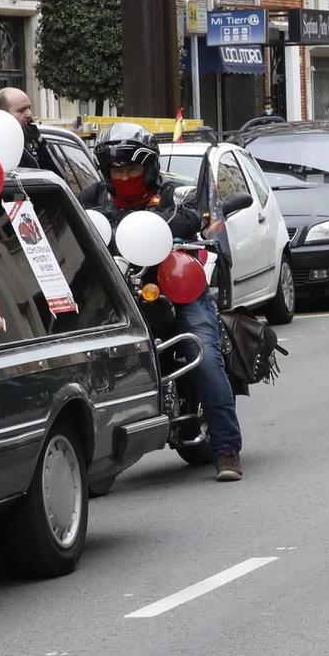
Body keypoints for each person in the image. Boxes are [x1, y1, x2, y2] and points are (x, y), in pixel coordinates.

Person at [95, 123, 244, 482]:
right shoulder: (93, 198)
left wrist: (175, 222)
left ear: (148, 168)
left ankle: (226, 450)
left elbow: (194, 214)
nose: (125, 176)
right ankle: (96, 461)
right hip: (118, 293)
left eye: (132, 169)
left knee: (204, 356)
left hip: (173, 288)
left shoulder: (173, 192)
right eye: (117, 170)